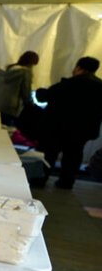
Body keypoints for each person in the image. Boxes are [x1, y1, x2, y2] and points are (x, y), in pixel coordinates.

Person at [36, 56, 102, 189]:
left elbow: (44, 97)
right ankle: (66, 182)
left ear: (79, 68)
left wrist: (39, 91)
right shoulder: (99, 87)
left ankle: (40, 179)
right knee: (74, 155)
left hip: (58, 127)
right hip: (83, 130)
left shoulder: (68, 83)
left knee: (49, 154)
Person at [0, 50, 38, 125]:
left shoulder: (3, 71)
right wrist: (32, 105)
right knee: (5, 133)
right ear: (31, 63)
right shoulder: (25, 73)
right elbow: (26, 94)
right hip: (8, 109)